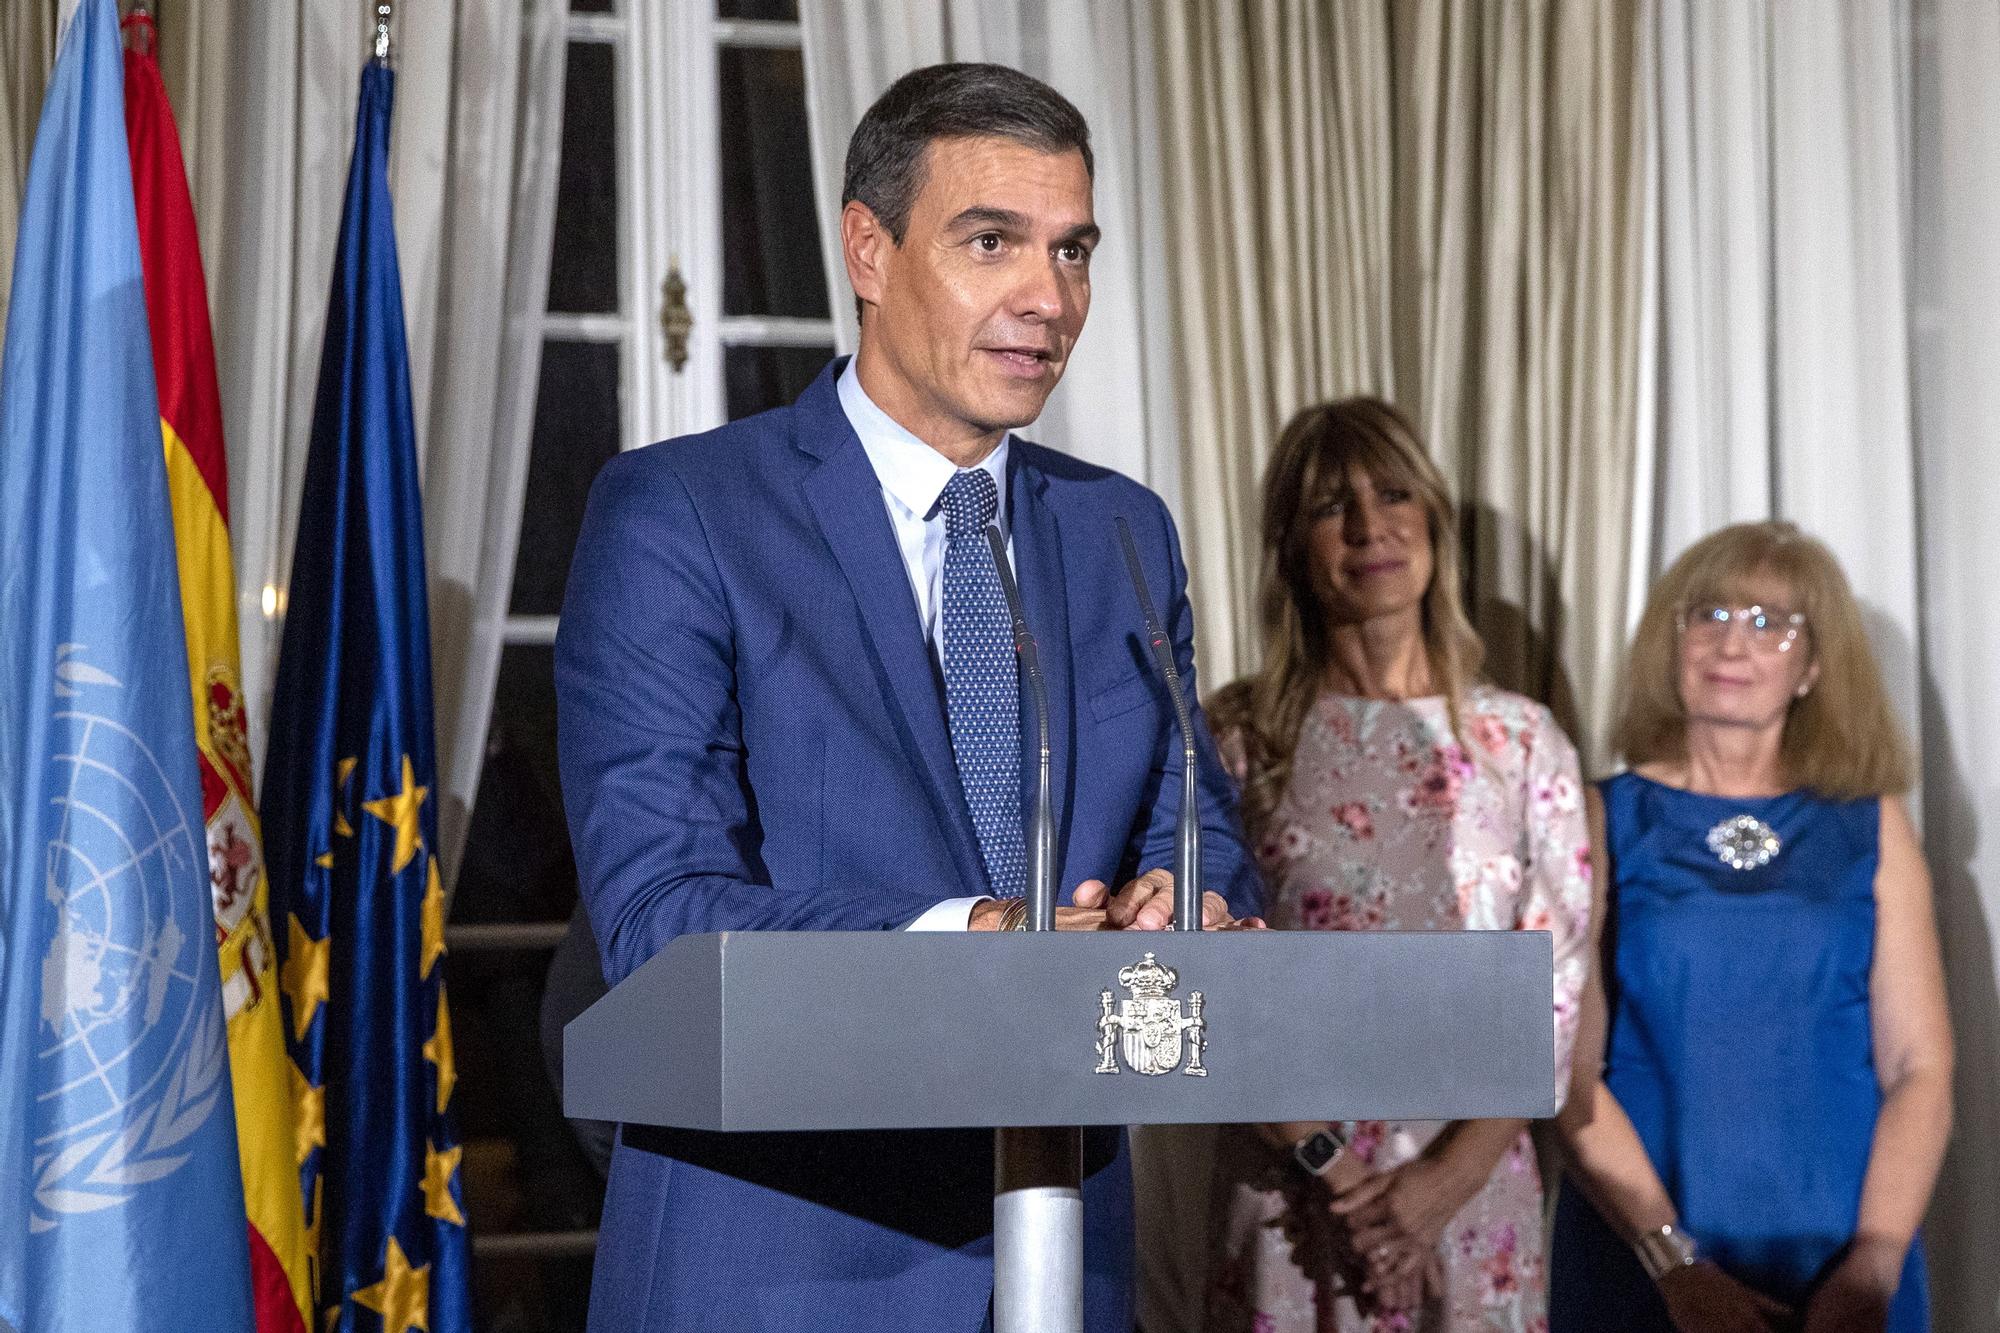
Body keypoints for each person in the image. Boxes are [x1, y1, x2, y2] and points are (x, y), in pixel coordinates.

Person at [555, 62, 1261, 1333]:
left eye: (1073, 251)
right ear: (867, 250)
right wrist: (970, 937)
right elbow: (658, 914)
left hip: (1064, 1255)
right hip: (780, 1259)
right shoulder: (684, 513)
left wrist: (1187, 898)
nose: (1047, 300)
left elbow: (1188, 826)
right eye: (992, 243)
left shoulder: (1121, 533)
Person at [1202, 398, 1593, 1331]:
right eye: (1333, 506)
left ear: (1434, 521)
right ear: (1291, 544)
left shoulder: (1523, 740)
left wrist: (1439, 1186)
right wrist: (1337, 1170)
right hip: (1295, 1195)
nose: (1370, 527)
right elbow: (1210, 977)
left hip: (1473, 1194)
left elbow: (1558, 986)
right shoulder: (1239, 737)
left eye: (1393, 493)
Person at [1549, 521, 1953, 1333]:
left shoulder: (1871, 822)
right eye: (1711, 615)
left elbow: (1921, 1065)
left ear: (1812, 666)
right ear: (1672, 642)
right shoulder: (1599, 812)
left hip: (1845, 1269)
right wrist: (1674, 1261)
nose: (1733, 643)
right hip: (1645, 1262)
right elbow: (1566, 1068)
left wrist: (1873, 1262)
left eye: (1771, 622)